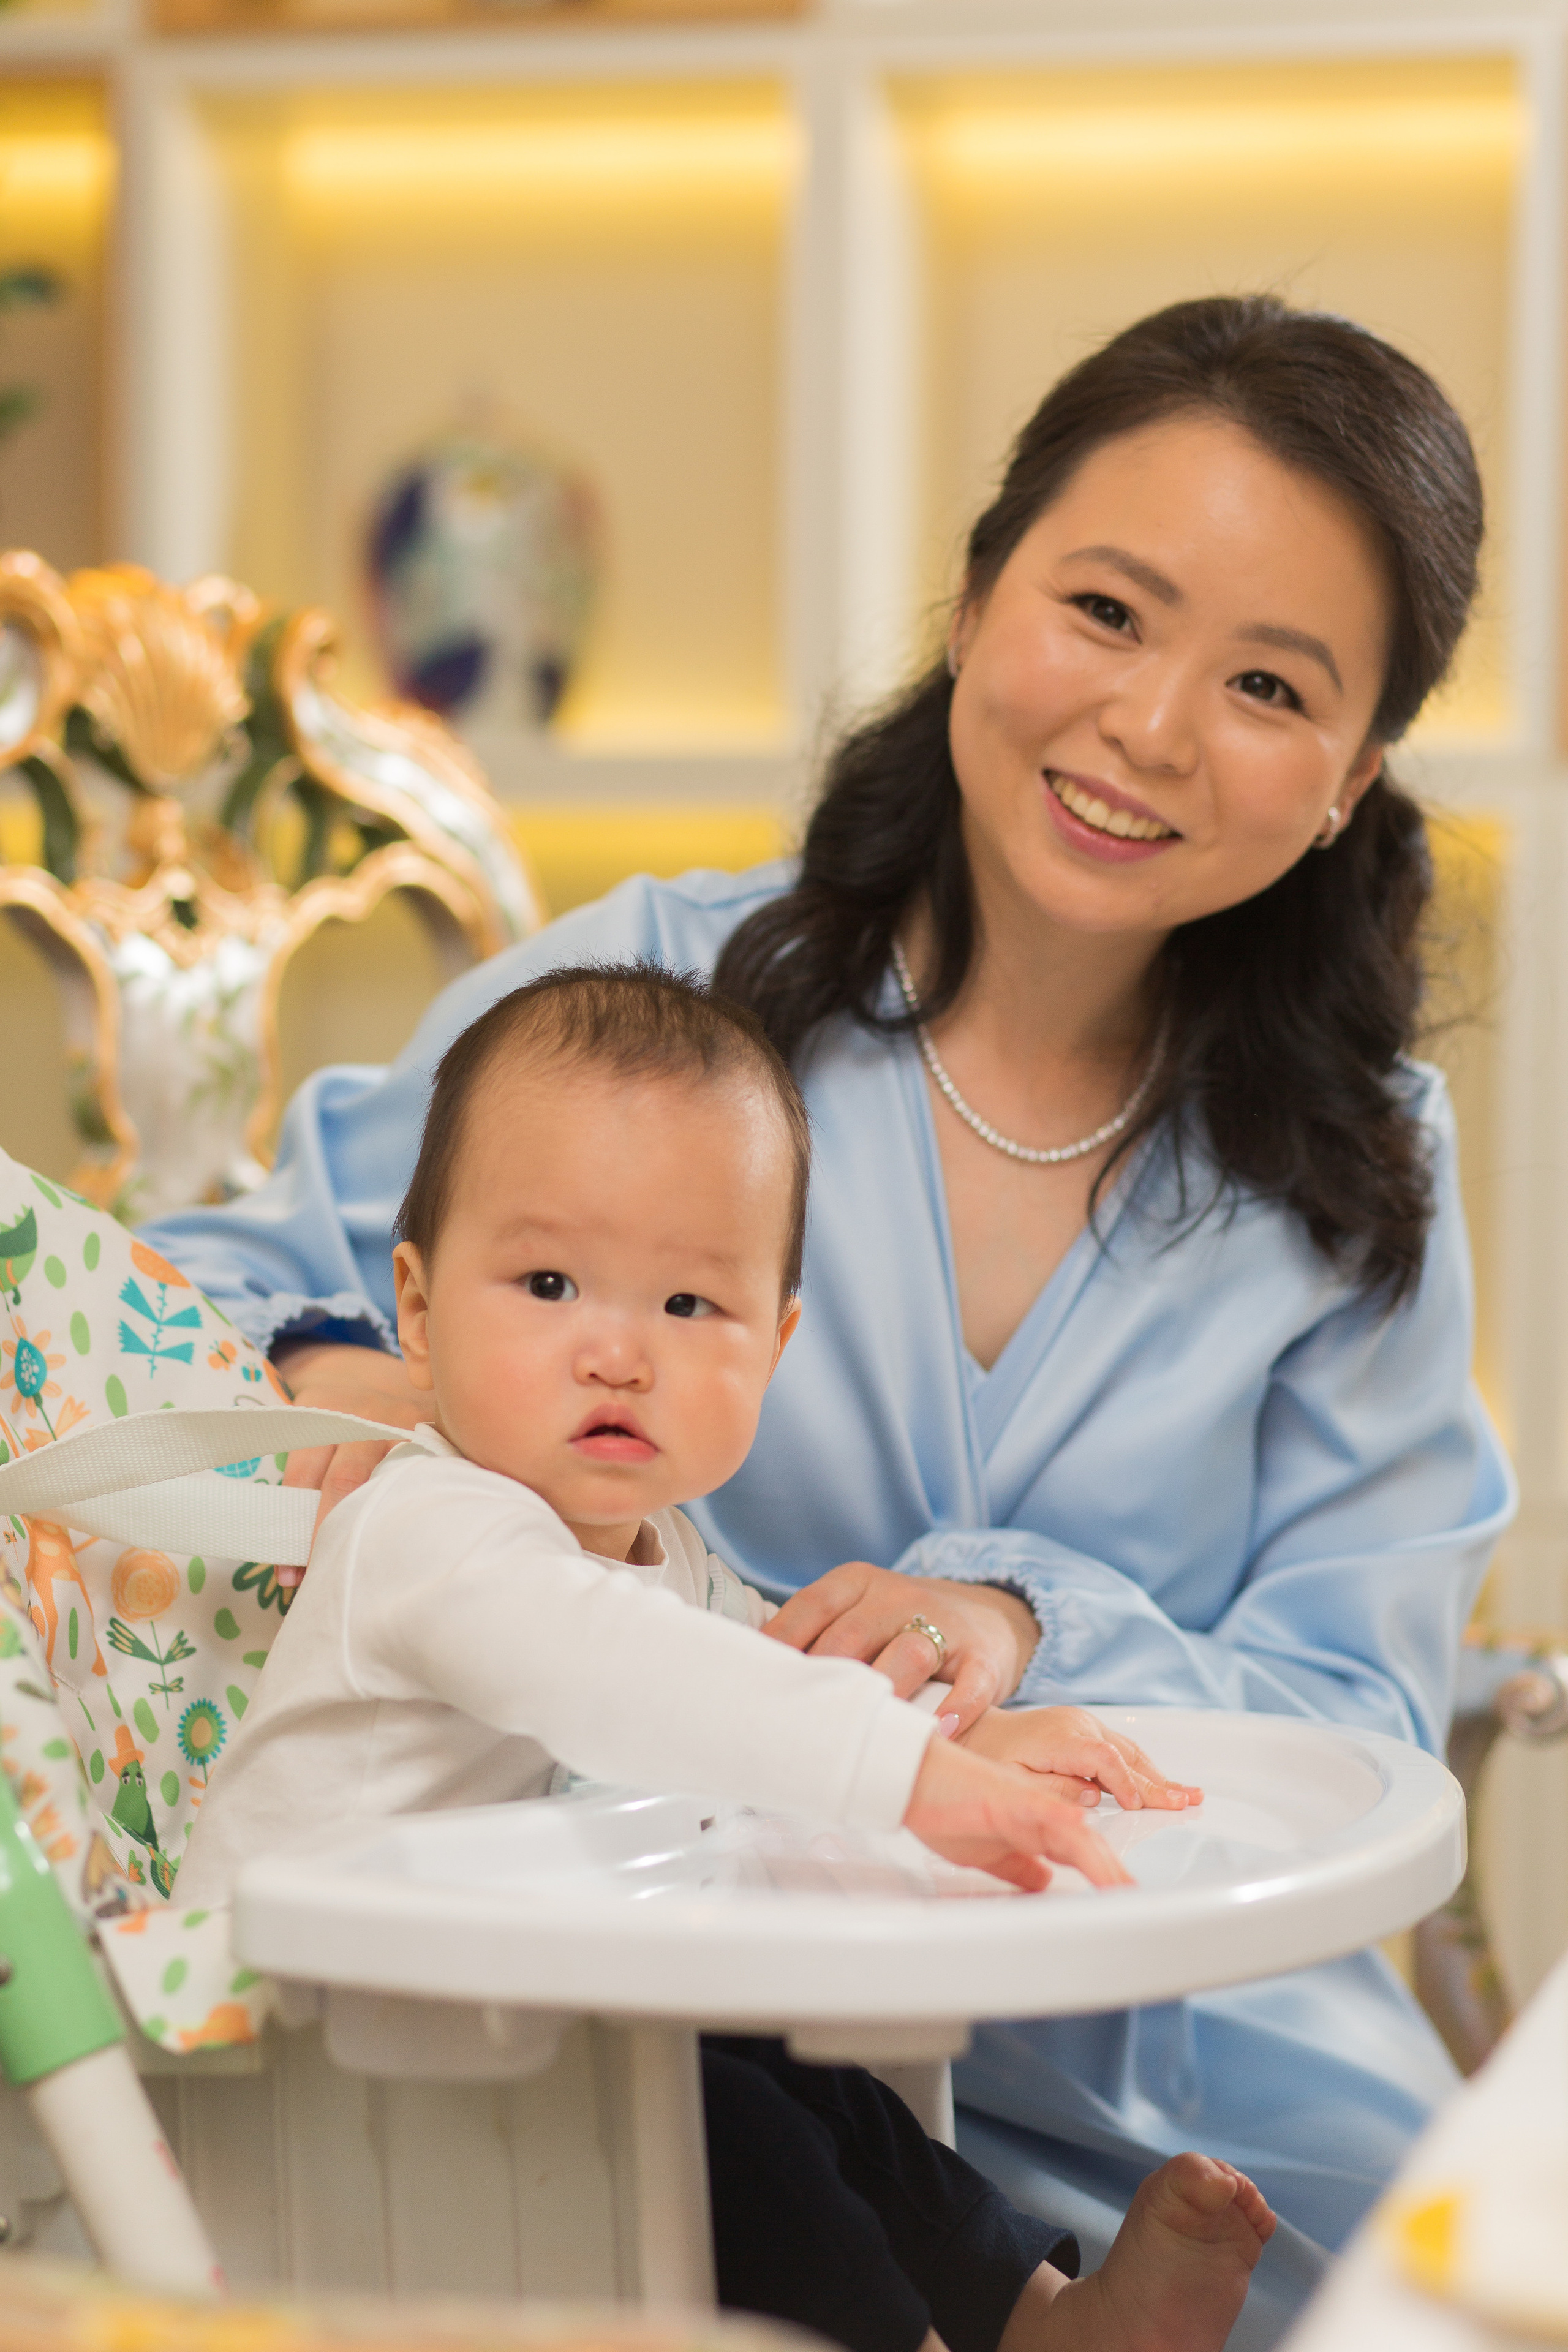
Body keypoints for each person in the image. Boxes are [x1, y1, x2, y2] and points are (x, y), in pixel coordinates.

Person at [148, 296, 1516, 2345]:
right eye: (1107, 610)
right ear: (977, 602)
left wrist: (1018, 1620)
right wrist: (364, 1387)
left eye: (1264, 684)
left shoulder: (1361, 1168)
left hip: (1193, 2052)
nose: (1150, 727)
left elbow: (1363, 1715)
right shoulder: (656, 1008)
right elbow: (210, 1297)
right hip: (667, 2022)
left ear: (1350, 776)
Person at [181, 960, 1276, 2352]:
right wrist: (904, 1778)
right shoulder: (429, 1528)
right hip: (304, 2095)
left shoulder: (661, 1547)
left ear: (778, 1342)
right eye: (548, 1282)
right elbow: (630, 1677)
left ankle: (1033, 2312)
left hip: (503, 2054)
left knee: (797, 2081)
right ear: (414, 1304)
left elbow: (755, 1682)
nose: (618, 1352)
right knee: (716, 2120)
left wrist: (963, 1739)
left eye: (690, 1308)